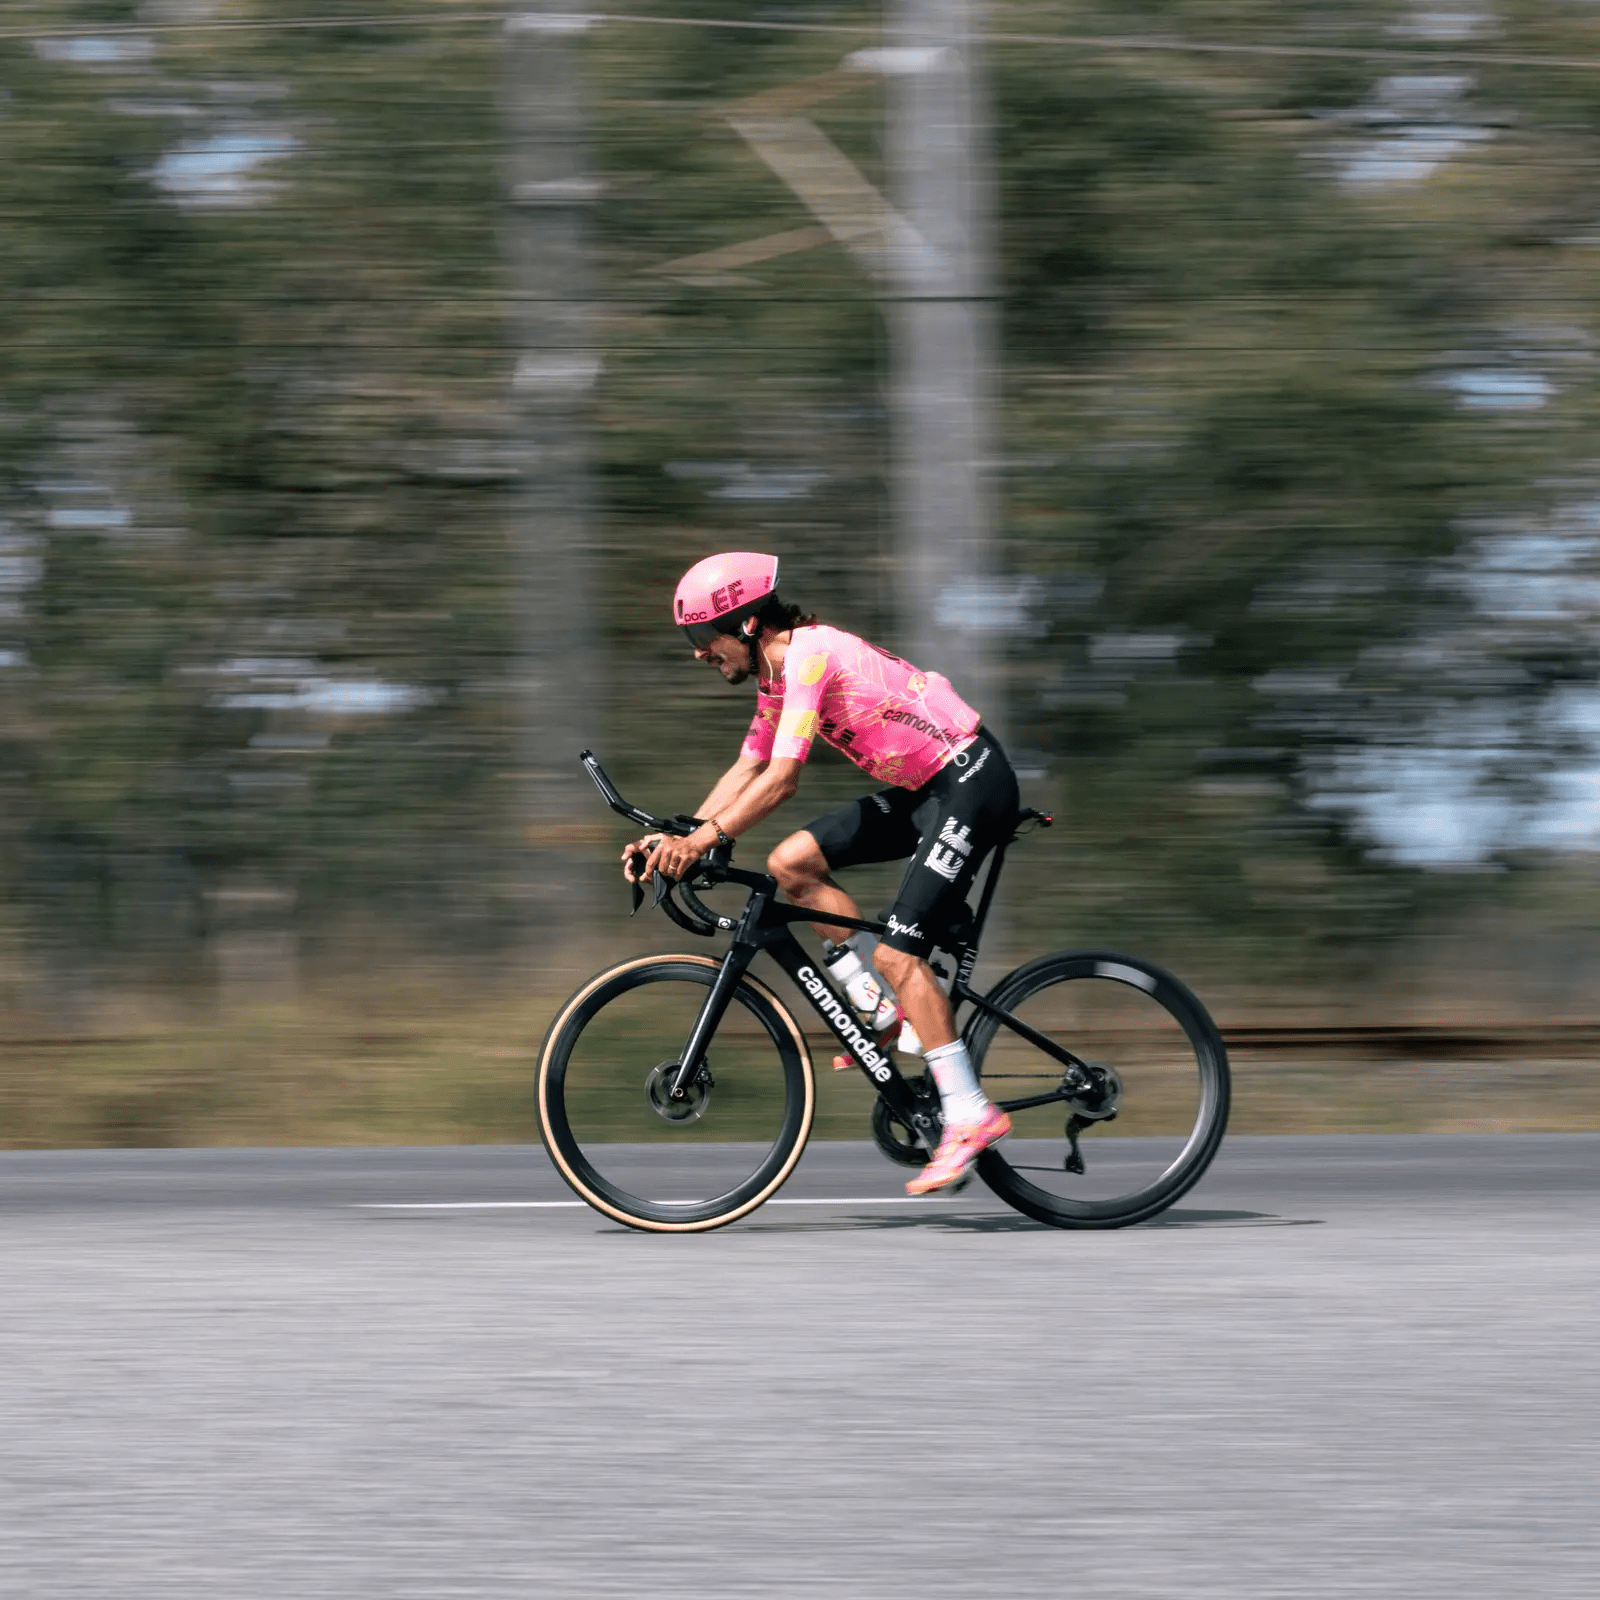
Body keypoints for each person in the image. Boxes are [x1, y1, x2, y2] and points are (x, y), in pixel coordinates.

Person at [623, 551, 1021, 1196]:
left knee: (898, 956)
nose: (699, 653)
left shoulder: (807, 656)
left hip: (970, 781)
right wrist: (678, 837)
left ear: (749, 624)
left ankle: (970, 1114)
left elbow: (781, 780)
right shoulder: (775, 678)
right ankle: (888, 1015)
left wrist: (704, 842)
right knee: (790, 864)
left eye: (704, 636)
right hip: (925, 790)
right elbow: (747, 767)